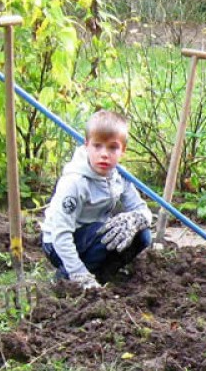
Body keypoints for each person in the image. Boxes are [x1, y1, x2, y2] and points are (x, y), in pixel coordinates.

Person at [41, 110, 153, 289]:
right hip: (57, 243)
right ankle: (69, 276)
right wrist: (78, 273)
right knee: (104, 231)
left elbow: (142, 210)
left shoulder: (120, 176)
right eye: (97, 146)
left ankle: (103, 274)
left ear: (123, 150)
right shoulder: (75, 182)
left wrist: (135, 219)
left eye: (112, 147)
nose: (104, 154)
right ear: (86, 146)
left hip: (92, 235)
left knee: (142, 234)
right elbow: (60, 234)